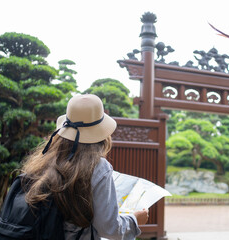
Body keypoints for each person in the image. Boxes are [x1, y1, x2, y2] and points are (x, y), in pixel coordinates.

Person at [21, 94, 149, 239]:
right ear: (102, 132)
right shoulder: (98, 167)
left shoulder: (44, 160)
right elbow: (109, 228)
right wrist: (134, 220)